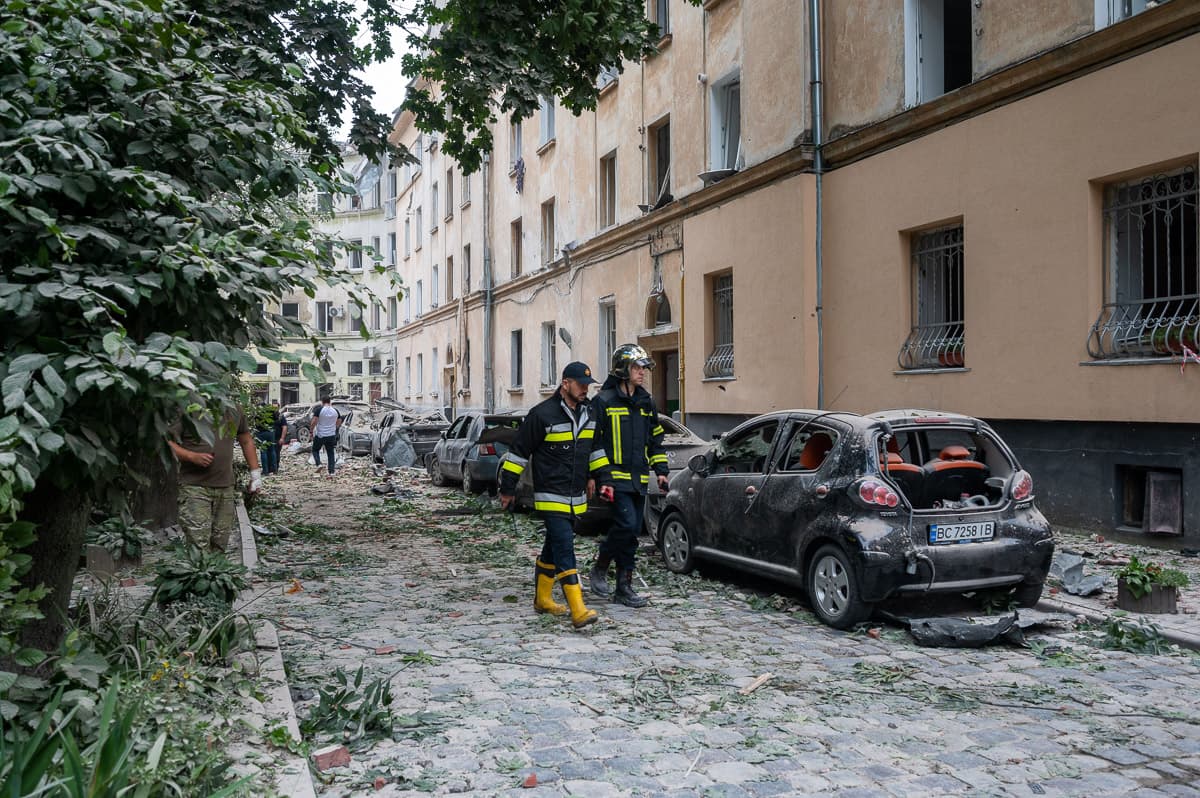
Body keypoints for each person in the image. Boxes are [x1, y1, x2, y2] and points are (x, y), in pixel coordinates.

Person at [498, 362, 607, 629]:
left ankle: (543, 599)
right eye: (580, 384)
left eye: (587, 385)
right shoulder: (541, 415)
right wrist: (507, 489)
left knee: (553, 547)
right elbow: (518, 454)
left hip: (576, 495)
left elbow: (594, 449)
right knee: (564, 546)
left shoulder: (590, 413)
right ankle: (578, 608)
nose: (585, 389)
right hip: (550, 494)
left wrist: (598, 477)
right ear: (565, 383)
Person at [588, 344, 669, 608]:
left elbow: (655, 439)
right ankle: (600, 566)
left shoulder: (646, 402)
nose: (642, 372)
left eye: (644, 368)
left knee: (633, 531)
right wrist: (602, 477)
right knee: (626, 525)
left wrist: (661, 471)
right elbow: (594, 442)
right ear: (623, 370)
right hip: (614, 479)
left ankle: (625, 587)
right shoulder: (603, 401)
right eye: (637, 368)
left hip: (639, 479)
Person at [168, 407, 262, 554]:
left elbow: (246, 440)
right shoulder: (188, 408)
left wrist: (255, 475)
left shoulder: (234, 409)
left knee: (220, 543)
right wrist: (191, 456)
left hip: (225, 487)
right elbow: (167, 442)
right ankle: (199, 575)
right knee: (198, 544)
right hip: (194, 487)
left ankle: (214, 575)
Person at [310, 396, 342, 477]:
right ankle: (331, 472)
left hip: (320, 435)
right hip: (331, 435)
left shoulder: (319, 410)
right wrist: (334, 427)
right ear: (330, 401)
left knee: (315, 450)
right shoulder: (335, 411)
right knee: (331, 453)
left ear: (322, 402)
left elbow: (314, 421)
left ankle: (318, 464)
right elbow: (339, 421)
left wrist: (311, 431)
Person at [254, 402, 278, 476]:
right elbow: (276, 418)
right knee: (272, 450)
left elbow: (255, 422)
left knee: (263, 452)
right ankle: (274, 469)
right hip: (270, 432)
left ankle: (265, 471)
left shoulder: (258, 412)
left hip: (261, 433)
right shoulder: (270, 410)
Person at [269, 399, 288, 475]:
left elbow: (284, 427)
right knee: (269, 453)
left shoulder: (281, 417)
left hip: (277, 438)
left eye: (276, 407)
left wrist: (282, 438)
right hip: (270, 438)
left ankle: (275, 469)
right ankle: (270, 468)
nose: (275, 409)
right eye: (273, 408)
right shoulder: (269, 416)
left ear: (278, 407)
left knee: (276, 453)